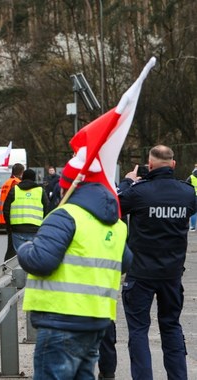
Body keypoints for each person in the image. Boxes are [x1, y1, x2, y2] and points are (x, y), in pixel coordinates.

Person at [17, 153, 132, 380]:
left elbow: (41, 261)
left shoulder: (64, 216)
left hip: (60, 320)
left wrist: (25, 249)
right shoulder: (116, 224)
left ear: (67, 188)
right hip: (96, 321)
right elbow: (126, 261)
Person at [118, 145, 196, 380]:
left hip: (140, 273)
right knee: (171, 326)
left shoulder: (138, 192)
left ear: (149, 166)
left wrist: (128, 181)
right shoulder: (187, 193)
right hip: (172, 274)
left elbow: (114, 206)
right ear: (173, 164)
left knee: (139, 331)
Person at [3, 168, 49, 251]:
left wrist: (9, 226)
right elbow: (47, 209)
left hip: (17, 229)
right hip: (36, 229)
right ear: (34, 178)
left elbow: (6, 210)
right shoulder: (40, 191)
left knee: (18, 257)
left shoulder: (15, 190)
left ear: (23, 177)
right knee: (33, 257)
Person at [0, 163, 24, 261]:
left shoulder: (7, 182)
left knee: (11, 245)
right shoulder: (16, 183)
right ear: (21, 172)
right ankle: (8, 266)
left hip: (6, 217)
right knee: (13, 247)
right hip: (13, 217)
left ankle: (7, 265)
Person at [186, 164, 197, 231]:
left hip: (194, 196)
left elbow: (186, 185)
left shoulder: (191, 177)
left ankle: (192, 227)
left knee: (194, 212)